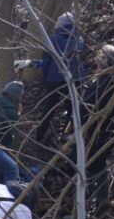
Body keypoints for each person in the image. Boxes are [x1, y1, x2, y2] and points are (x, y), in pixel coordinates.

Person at [64, 44, 114, 208]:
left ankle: (90, 204)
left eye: (101, 56)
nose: (96, 59)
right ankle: (98, 201)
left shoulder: (111, 81)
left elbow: (89, 106)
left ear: (107, 61)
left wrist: (77, 126)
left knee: (88, 162)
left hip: (100, 130)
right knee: (95, 162)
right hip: (103, 129)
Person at [30, 12, 86, 144]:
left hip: (55, 77)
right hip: (76, 77)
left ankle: (40, 136)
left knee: (49, 107)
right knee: (73, 108)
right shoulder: (80, 40)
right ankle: (67, 138)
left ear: (59, 25)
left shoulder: (52, 39)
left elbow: (48, 61)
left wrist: (45, 74)